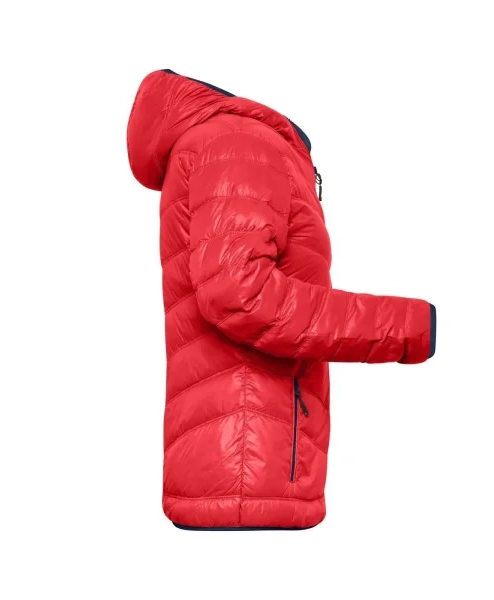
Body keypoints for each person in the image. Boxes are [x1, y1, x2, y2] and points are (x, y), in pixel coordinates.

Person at [127, 69, 436, 530]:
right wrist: (408, 327)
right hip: (248, 469)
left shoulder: (228, 143)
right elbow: (241, 294)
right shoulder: (239, 142)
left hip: (247, 464)